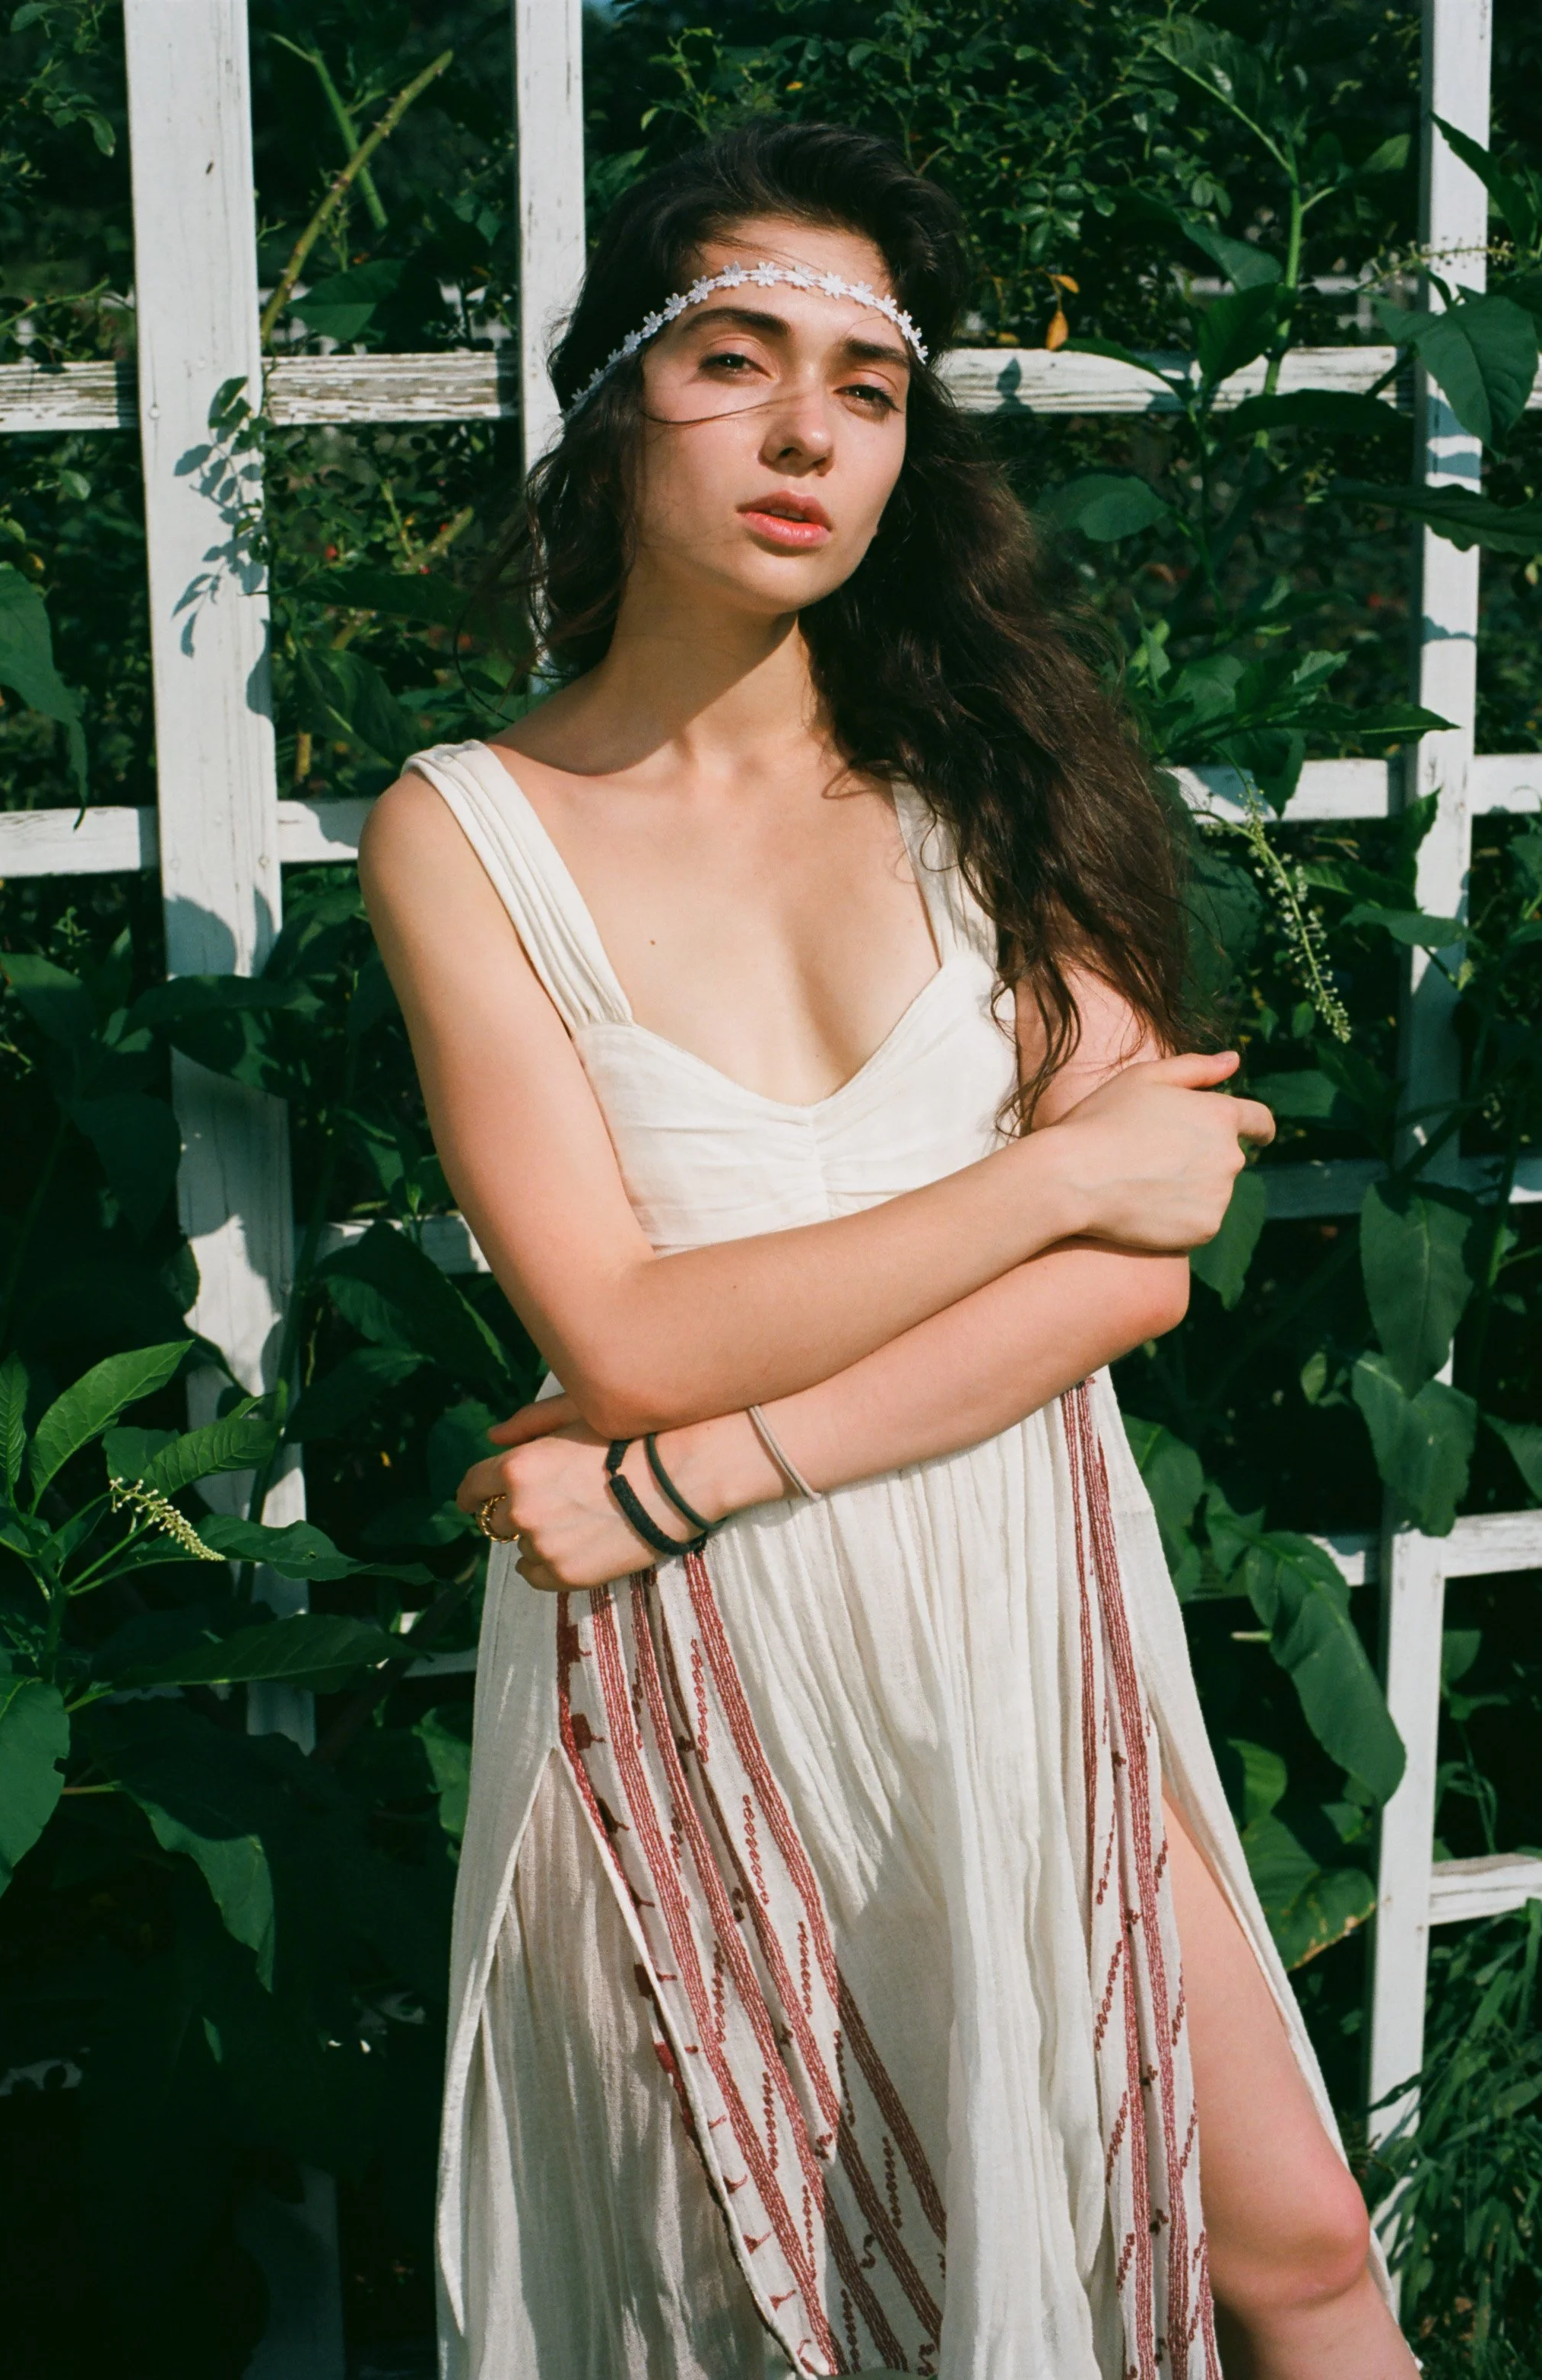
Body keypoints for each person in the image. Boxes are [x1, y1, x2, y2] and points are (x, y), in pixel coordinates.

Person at [360, 121, 1414, 2380]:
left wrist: (690, 1466)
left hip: (1000, 1582)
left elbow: (1148, 1271)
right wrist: (1042, 1182)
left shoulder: (991, 771)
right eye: (734, 359)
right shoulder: (471, 830)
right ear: (617, 399)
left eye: (868, 383)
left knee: (1300, 2242)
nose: (807, 431)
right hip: (710, 1648)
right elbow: (626, 1326)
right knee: (808, 2307)